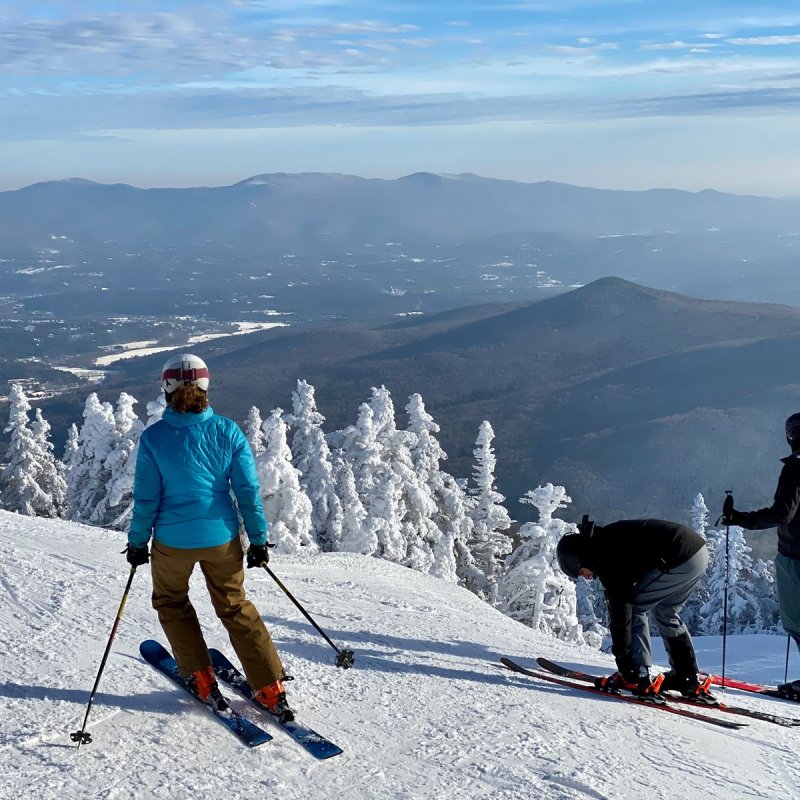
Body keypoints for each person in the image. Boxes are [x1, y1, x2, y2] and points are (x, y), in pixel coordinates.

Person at [125, 353, 294, 721]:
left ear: (166, 387)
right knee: (234, 606)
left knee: (172, 602)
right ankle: (269, 687)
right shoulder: (227, 431)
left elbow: (147, 499)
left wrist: (138, 542)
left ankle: (201, 679)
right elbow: (247, 491)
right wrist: (259, 540)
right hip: (222, 540)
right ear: (205, 386)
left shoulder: (154, 438)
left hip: (173, 543)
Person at [557, 516, 715, 704]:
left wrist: (624, 661)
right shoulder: (602, 540)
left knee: (636, 608)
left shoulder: (605, 556)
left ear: (579, 557)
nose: (586, 577)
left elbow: (622, 612)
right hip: (697, 553)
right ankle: (686, 677)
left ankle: (638, 676)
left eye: (580, 571)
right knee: (667, 613)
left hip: (678, 557)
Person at [724, 411, 800, 697]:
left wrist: (740, 518)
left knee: (797, 620)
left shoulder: (795, 468)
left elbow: (783, 513)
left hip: (796, 556)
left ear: (790, 436)